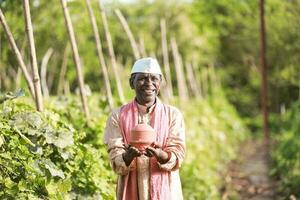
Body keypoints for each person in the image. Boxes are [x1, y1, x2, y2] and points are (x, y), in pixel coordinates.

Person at [104, 57, 185, 200]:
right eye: (142, 79)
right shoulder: (117, 116)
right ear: (131, 83)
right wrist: (127, 156)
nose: (149, 84)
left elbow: (178, 153)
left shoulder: (173, 115)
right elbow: (115, 157)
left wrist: (161, 155)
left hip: (167, 191)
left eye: (154, 79)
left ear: (160, 84)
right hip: (130, 189)